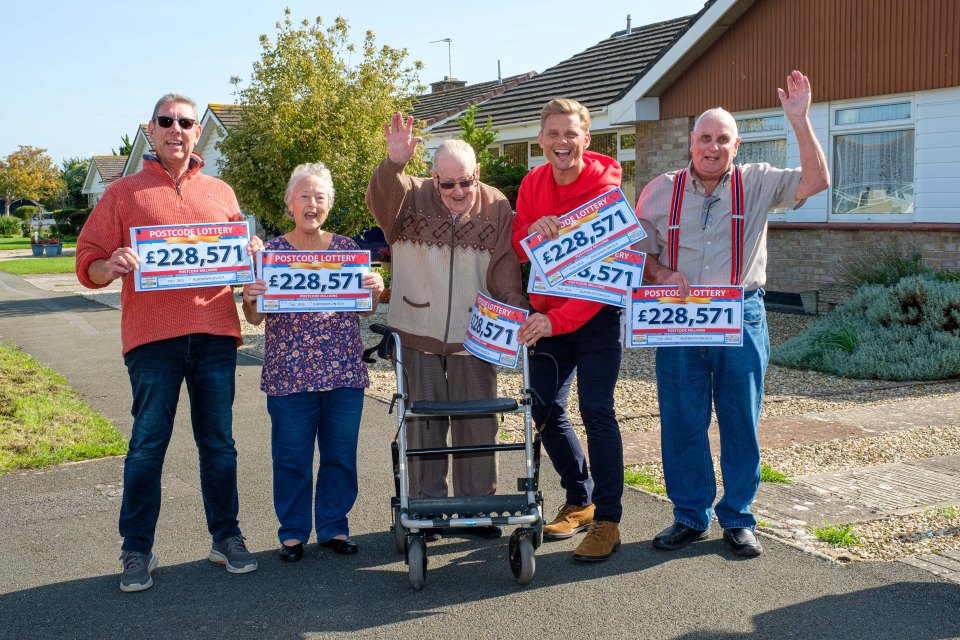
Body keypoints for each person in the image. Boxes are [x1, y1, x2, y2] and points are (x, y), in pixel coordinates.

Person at [634, 70, 830, 557]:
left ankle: (739, 516)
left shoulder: (759, 182)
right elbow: (636, 255)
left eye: (723, 139)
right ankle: (689, 515)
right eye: (705, 138)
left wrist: (800, 121)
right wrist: (660, 275)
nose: (713, 147)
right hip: (679, 317)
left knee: (740, 419)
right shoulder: (659, 189)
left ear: (736, 144)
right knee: (682, 419)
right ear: (691, 142)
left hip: (740, 313)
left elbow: (817, 180)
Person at [75, 94, 262, 592]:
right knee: (147, 446)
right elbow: (88, 260)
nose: (176, 129)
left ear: (196, 132)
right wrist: (107, 264)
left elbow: (239, 261)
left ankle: (226, 537)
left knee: (218, 444)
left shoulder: (222, 192)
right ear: (151, 131)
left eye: (185, 122)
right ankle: (136, 549)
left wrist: (251, 254)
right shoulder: (123, 193)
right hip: (152, 339)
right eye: (166, 121)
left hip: (216, 334)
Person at [365, 113, 526, 540]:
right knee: (424, 425)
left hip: (476, 337)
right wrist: (393, 164)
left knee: (479, 424)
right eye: (447, 183)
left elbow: (505, 265)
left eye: (465, 182)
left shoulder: (496, 205)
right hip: (416, 330)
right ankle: (428, 508)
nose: (457, 191)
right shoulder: (410, 196)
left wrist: (514, 306)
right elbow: (380, 201)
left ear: (478, 174)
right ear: (433, 178)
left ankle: (479, 507)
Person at [242, 162, 384, 562]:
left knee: (340, 456)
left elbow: (363, 309)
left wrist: (375, 288)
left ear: (328, 205)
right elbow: (255, 318)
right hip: (289, 377)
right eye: (304, 196)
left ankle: (334, 527)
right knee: (292, 458)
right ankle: (292, 532)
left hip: (342, 373)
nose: (311, 203)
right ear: (290, 204)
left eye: (319, 197)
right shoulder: (270, 255)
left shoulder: (348, 251)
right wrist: (250, 297)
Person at [511, 98, 625, 562]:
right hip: (549, 317)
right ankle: (580, 498)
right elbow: (518, 245)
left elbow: (605, 278)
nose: (562, 143)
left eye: (570, 134)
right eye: (553, 134)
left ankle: (608, 521)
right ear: (541, 139)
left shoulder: (605, 189)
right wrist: (532, 233)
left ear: (586, 138)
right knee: (541, 407)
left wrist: (555, 319)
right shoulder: (532, 181)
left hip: (595, 316)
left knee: (597, 412)